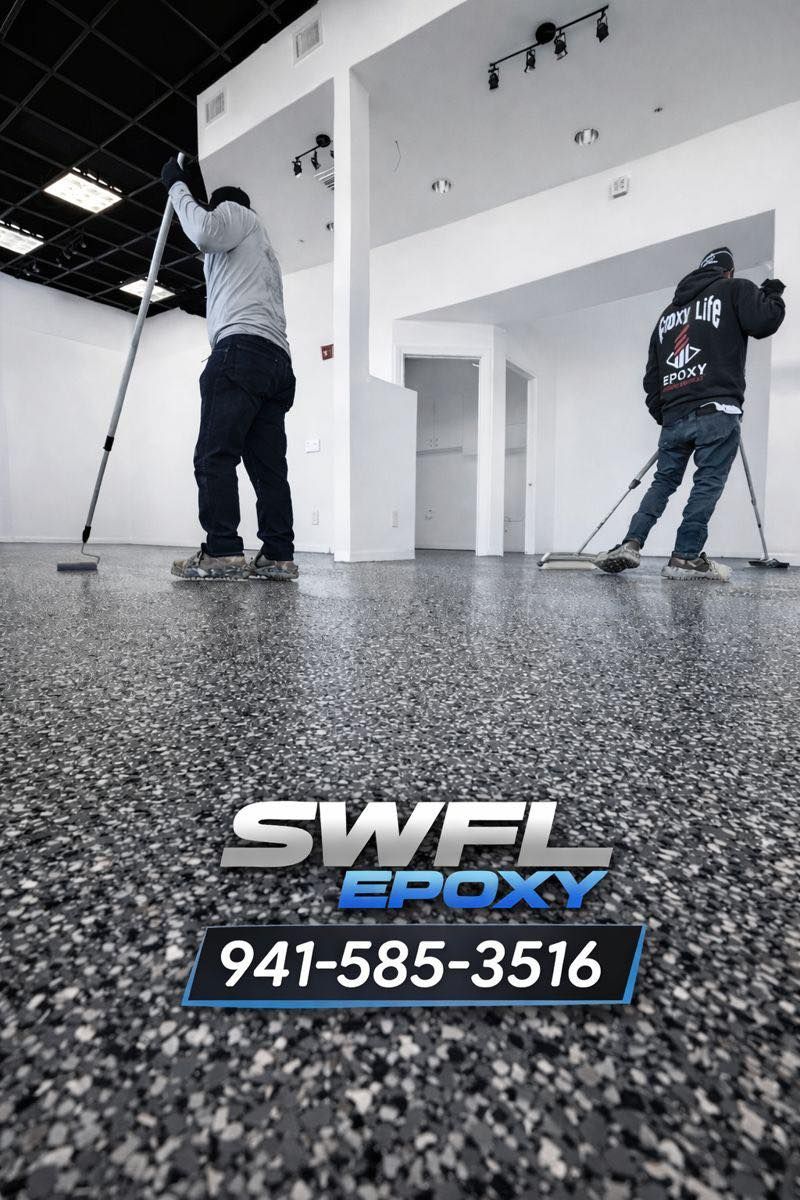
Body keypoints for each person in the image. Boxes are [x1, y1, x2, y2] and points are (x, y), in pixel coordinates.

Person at [594, 247, 785, 581]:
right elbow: (763, 321)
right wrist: (771, 294)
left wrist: (666, 413)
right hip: (717, 410)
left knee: (663, 482)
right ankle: (685, 557)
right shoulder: (734, 288)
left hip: (675, 417)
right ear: (727, 271)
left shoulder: (667, 315)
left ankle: (631, 542)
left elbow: (651, 377)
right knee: (707, 483)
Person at [160, 156, 298, 582]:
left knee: (214, 456)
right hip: (274, 363)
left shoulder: (236, 214)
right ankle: (278, 555)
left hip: (240, 356)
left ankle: (222, 550)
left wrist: (176, 187)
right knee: (267, 467)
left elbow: (203, 229)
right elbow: (237, 297)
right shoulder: (265, 255)